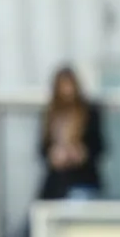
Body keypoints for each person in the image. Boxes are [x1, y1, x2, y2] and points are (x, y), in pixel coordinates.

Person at [39, 67, 105, 201]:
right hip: (56, 184)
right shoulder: (50, 115)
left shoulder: (89, 113)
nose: (67, 90)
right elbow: (42, 149)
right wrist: (54, 155)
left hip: (82, 181)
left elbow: (99, 147)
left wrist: (81, 154)